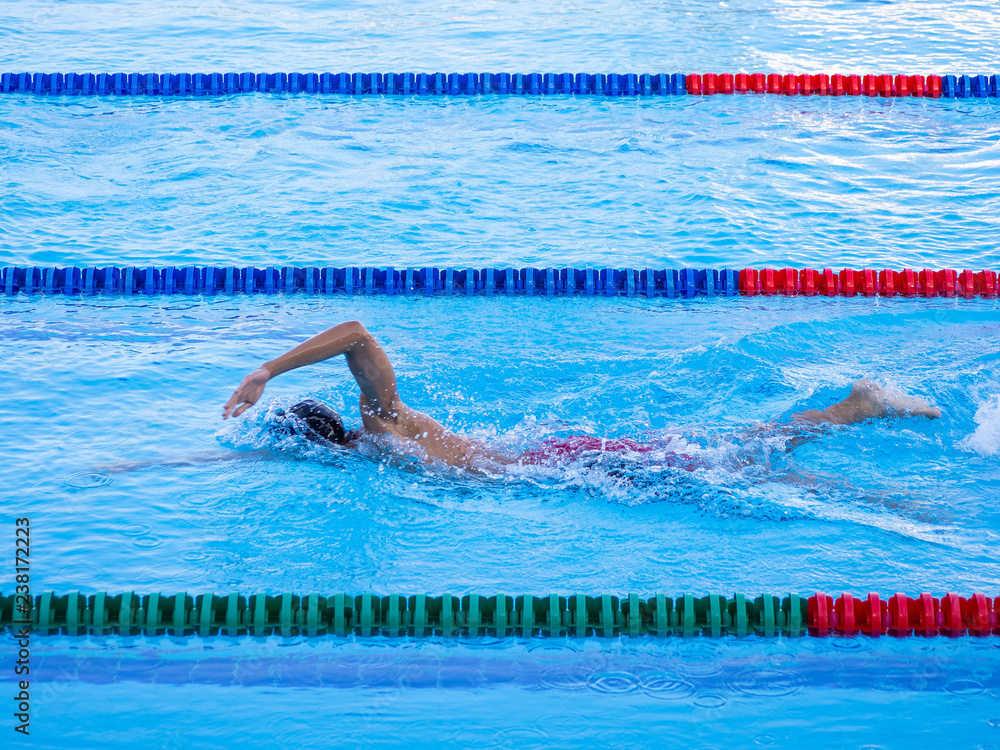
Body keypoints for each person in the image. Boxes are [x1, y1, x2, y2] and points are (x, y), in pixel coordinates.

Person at [222, 320, 941, 470]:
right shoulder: (383, 434)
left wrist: (264, 372)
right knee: (727, 453)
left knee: (733, 456)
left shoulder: (380, 428)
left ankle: (856, 407)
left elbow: (356, 334)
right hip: (545, 458)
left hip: (556, 465)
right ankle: (851, 410)